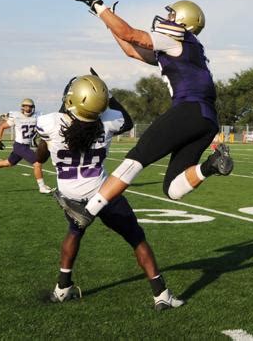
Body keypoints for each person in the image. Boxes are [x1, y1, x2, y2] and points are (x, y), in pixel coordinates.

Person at [54, 0, 234, 228]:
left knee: (136, 159)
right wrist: (109, 20)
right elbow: (131, 49)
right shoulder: (187, 49)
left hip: (189, 109)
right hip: (207, 119)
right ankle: (211, 166)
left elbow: (130, 34)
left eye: (172, 13)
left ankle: (88, 210)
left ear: (184, 20)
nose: (167, 16)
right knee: (173, 189)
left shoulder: (178, 36)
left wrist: (98, 5)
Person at [34, 73, 184, 310]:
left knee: (74, 232)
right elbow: (127, 120)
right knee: (136, 238)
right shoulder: (109, 121)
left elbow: (42, 150)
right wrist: (109, 96)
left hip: (71, 195)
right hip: (104, 193)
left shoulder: (48, 122)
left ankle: (62, 288)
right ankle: (160, 294)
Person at [0, 98, 52, 194]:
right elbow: (2, 127)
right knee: (37, 163)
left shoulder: (37, 116)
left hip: (25, 146)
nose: (28, 109)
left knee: (8, 163)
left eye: (30, 107)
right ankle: (41, 187)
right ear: (22, 107)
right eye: (26, 106)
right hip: (20, 146)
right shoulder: (16, 116)